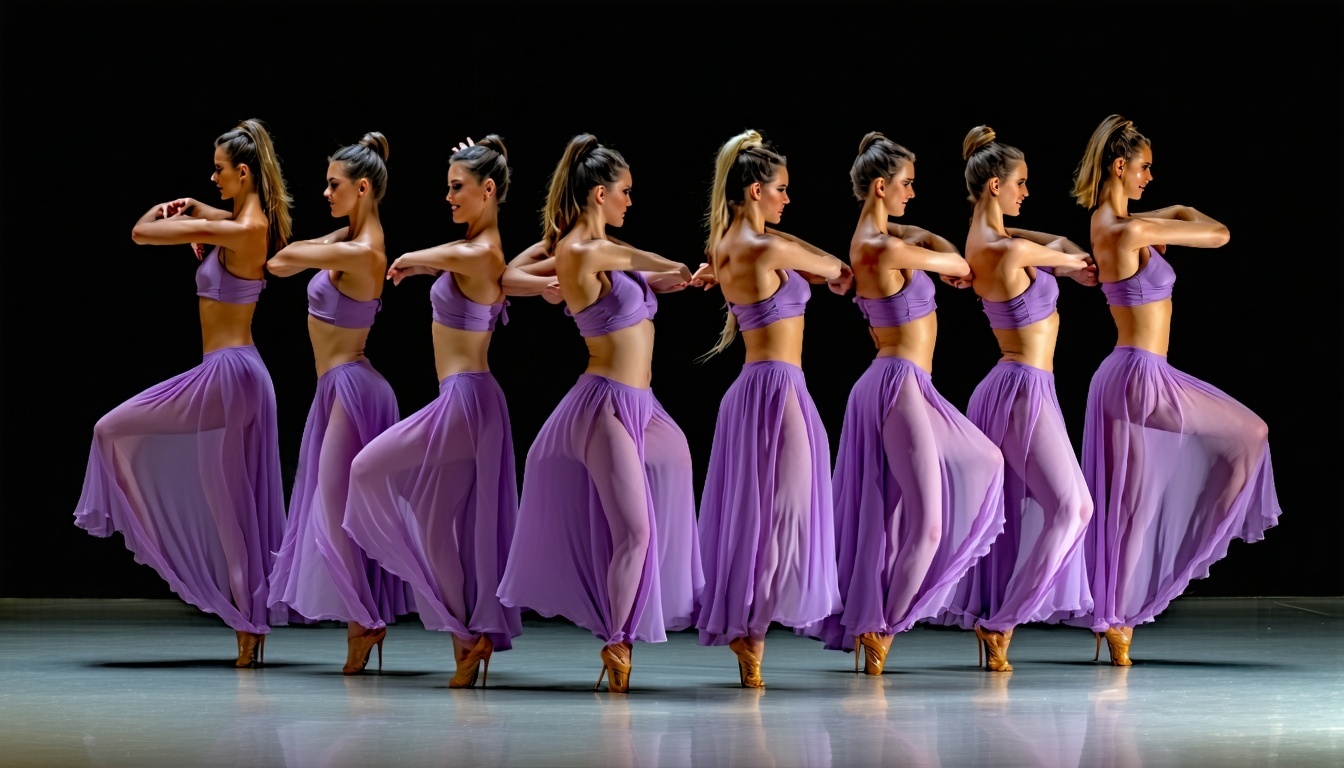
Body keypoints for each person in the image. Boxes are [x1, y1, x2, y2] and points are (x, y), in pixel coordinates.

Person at [73, 118, 293, 668]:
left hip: (227, 374)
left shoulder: (244, 230)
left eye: (220, 170)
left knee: (111, 430)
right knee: (229, 513)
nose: (213, 177)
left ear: (244, 173)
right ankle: (249, 627)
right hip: (237, 374)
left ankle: (243, 618)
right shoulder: (245, 222)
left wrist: (166, 211)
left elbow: (141, 233)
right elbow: (213, 217)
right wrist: (196, 207)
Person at [342, 135, 554, 688]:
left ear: (489, 190)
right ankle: (467, 640)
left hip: (466, 401)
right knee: (435, 528)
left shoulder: (480, 253)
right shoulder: (482, 250)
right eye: (448, 187)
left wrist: (413, 261)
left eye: (458, 187)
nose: (449, 197)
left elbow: (443, 257)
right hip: (465, 400)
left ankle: (460, 630)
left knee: (365, 469)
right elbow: (469, 262)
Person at [1068, 115, 1280, 665]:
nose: (1148, 178)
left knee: (1132, 510)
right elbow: (1219, 233)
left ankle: (1116, 622)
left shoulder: (1109, 224)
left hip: (1125, 373)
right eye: (1143, 168)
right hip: (1142, 375)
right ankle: (1178, 557)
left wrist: (1160, 215)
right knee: (1250, 434)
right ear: (1120, 166)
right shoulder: (1130, 232)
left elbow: (1158, 223)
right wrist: (1180, 209)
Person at [495, 133, 702, 694]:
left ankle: (631, 628)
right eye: (625, 191)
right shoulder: (579, 249)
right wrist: (669, 263)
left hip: (644, 405)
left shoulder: (598, 250)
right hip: (605, 404)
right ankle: (617, 642)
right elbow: (627, 260)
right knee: (634, 531)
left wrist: (681, 278)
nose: (630, 201)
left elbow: (641, 273)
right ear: (599, 193)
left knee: (672, 484)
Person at [813, 132, 1006, 675]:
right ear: (881, 186)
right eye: (906, 184)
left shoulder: (883, 239)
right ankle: (882, 627)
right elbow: (957, 263)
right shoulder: (880, 247)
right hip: (897, 384)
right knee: (926, 523)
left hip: (912, 385)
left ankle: (880, 623)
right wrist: (922, 243)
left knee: (978, 467)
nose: (912, 194)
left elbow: (946, 256)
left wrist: (913, 235)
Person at [931, 125, 1098, 673]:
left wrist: (1037, 242)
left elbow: (1064, 249)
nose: (1026, 192)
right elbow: (1075, 258)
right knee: (1072, 508)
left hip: (1024, 387)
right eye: (1020, 183)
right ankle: (1000, 623)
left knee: (1060, 510)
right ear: (995, 184)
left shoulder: (988, 241)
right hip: (1022, 389)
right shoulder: (1004, 249)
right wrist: (1060, 258)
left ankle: (1000, 621)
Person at [691, 129, 847, 688]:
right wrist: (815, 265)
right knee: (784, 514)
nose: (787, 198)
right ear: (755, 191)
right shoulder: (763, 247)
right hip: (777, 389)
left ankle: (749, 629)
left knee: (766, 516)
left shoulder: (726, 245)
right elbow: (833, 266)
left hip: (758, 389)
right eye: (780, 189)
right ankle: (750, 627)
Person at [264, 131, 412, 675]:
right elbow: (285, 263)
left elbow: (280, 262)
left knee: (332, 512)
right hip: (337, 387)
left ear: (363, 187)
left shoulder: (362, 250)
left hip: (352, 386)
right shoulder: (352, 239)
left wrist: (322, 243)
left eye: (334, 185)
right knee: (330, 510)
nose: (325, 193)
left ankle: (365, 622)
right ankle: (362, 623)